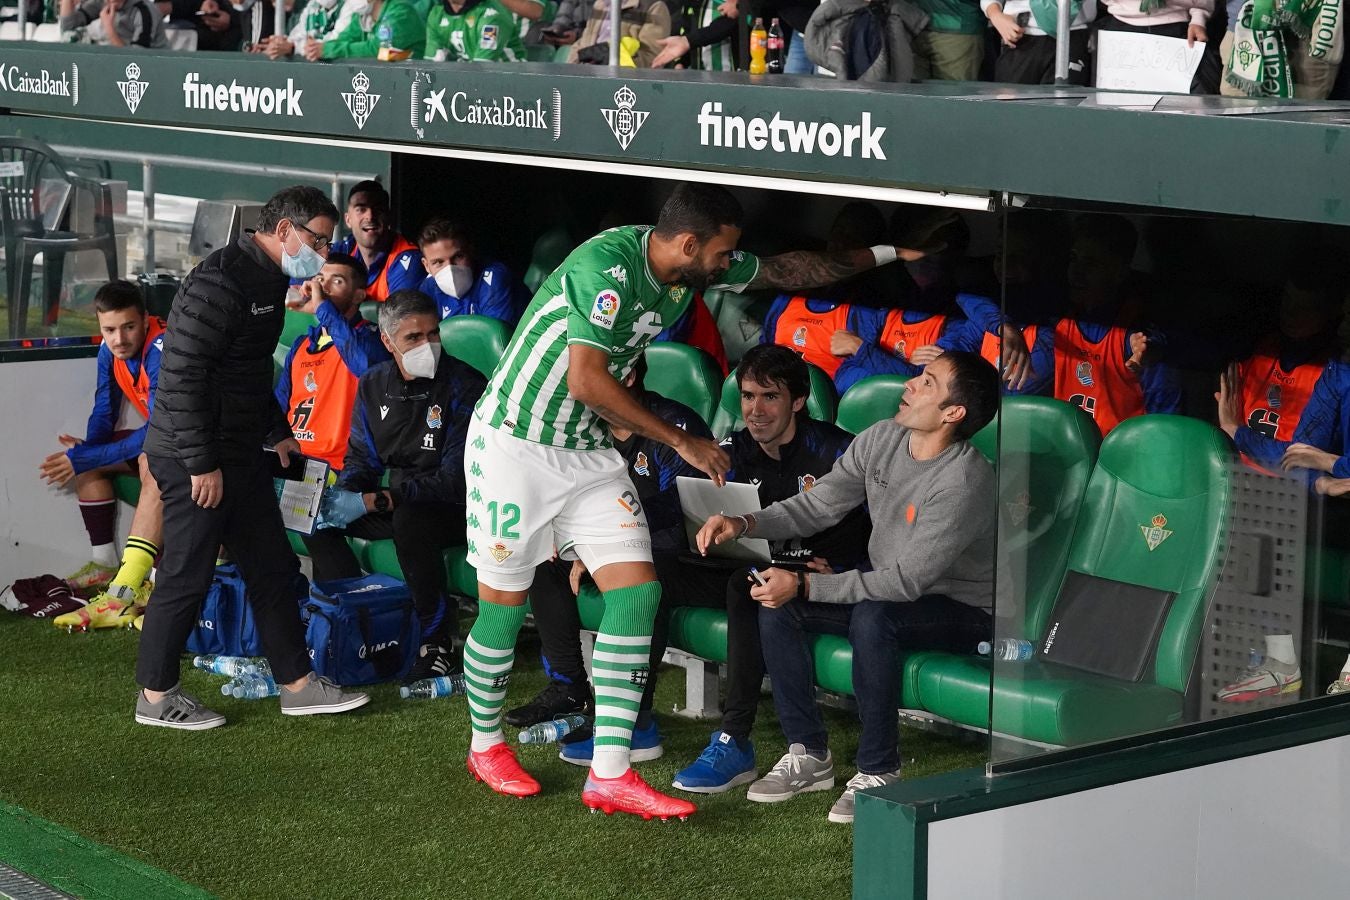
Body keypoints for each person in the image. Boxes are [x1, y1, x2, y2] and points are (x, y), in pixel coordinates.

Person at [460, 181, 942, 819]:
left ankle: (610, 774)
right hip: (515, 445)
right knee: (502, 603)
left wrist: (887, 252)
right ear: (688, 244)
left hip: (586, 453)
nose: (726, 266)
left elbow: (783, 269)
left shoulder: (688, 261)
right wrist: (683, 441)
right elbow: (587, 379)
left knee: (638, 595)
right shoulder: (605, 267)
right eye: (720, 255)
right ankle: (485, 744)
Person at [696, 350, 999, 824]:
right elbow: (817, 506)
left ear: (953, 413)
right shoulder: (883, 438)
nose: (910, 385)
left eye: (928, 383)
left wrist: (807, 583)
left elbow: (906, 581)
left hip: (961, 608)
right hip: (891, 594)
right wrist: (745, 522)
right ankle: (810, 753)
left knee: (871, 614)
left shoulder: (965, 478)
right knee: (776, 604)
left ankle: (879, 769)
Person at [135, 185, 370, 731]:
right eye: (317, 239)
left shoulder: (269, 280)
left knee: (273, 567)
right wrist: (200, 463)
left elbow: (245, 372)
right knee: (186, 574)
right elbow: (183, 377)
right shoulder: (220, 281)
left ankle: (298, 685)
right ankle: (154, 695)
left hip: (238, 453)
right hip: (194, 456)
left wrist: (277, 431)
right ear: (284, 230)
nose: (322, 251)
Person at [505, 353, 712, 751]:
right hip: (607, 545)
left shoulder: (674, 425)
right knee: (543, 559)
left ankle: (637, 720)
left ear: (627, 377)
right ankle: (569, 688)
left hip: (675, 553)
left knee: (649, 580)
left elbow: (683, 507)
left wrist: (600, 537)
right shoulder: (584, 428)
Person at [306, 290, 486, 681]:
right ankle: (358, 622)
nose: (428, 345)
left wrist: (378, 500)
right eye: (414, 338)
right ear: (387, 342)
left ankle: (437, 643)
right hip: (398, 501)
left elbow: (458, 478)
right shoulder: (372, 384)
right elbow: (362, 460)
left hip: (460, 507)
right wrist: (347, 496)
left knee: (410, 520)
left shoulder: (466, 385)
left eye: (433, 334)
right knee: (317, 518)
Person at [41, 281, 165, 630]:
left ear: (144, 320)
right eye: (109, 330)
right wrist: (88, 453)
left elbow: (159, 431)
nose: (119, 338)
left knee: (151, 463)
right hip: (165, 443)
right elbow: (104, 410)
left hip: (198, 452)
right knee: (88, 457)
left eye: (128, 327)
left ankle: (142, 586)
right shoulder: (109, 350)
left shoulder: (161, 349)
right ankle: (104, 565)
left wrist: (85, 457)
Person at [1049, 214, 1180, 435]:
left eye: (1090, 263)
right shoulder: (1058, 318)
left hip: (1121, 458)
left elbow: (1164, 426)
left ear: (1118, 272)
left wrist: (1152, 349)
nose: (1077, 271)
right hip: (1068, 451)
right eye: (1074, 258)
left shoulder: (1136, 335)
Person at [275, 253, 390, 474]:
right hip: (292, 460)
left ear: (358, 296)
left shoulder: (371, 338)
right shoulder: (301, 345)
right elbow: (280, 407)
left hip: (338, 468)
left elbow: (366, 369)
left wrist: (323, 309)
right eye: (320, 279)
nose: (324, 287)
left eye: (336, 281)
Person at [323, 182, 425, 303]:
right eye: (361, 209)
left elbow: (399, 318)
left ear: (389, 217)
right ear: (348, 220)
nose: (370, 216)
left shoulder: (408, 260)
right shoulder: (344, 249)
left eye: (378, 209)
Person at [417, 217, 524, 323]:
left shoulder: (493, 278)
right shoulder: (428, 288)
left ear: (471, 251)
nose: (450, 269)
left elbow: (493, 338)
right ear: (426, 266)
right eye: (438, 262)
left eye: (458, 256)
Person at [984, 0, 1096, 85]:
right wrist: (995, 14)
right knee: (1011, 109)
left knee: (1063, 109)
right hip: (1019, 34)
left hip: (1073, 33)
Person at [305, 0, 427, 58]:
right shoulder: (362, 16)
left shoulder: (401, 13)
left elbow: (379, 52)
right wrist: (317, 48)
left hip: (413, 84)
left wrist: (328, 50)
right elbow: (344, 39)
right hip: (384, 82)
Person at [568, 0, 671, 66]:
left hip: (620, 84)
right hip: (585, 77)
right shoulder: (600, 4)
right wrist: (572, 67)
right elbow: (583, 41)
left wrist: (612, 59)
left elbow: (653, 59)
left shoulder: (654, 7)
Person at [424, 0, 533, 60]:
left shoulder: (492, 14)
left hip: (509, 80)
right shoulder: (436, 13)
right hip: (469, 78)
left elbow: (483, 65)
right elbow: (431, 62)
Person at [59, 0, 168, 46]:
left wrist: (109, 28)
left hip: (154, 72)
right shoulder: (102, 3)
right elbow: (68, 26)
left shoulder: (144, 11)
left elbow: (135, 60)